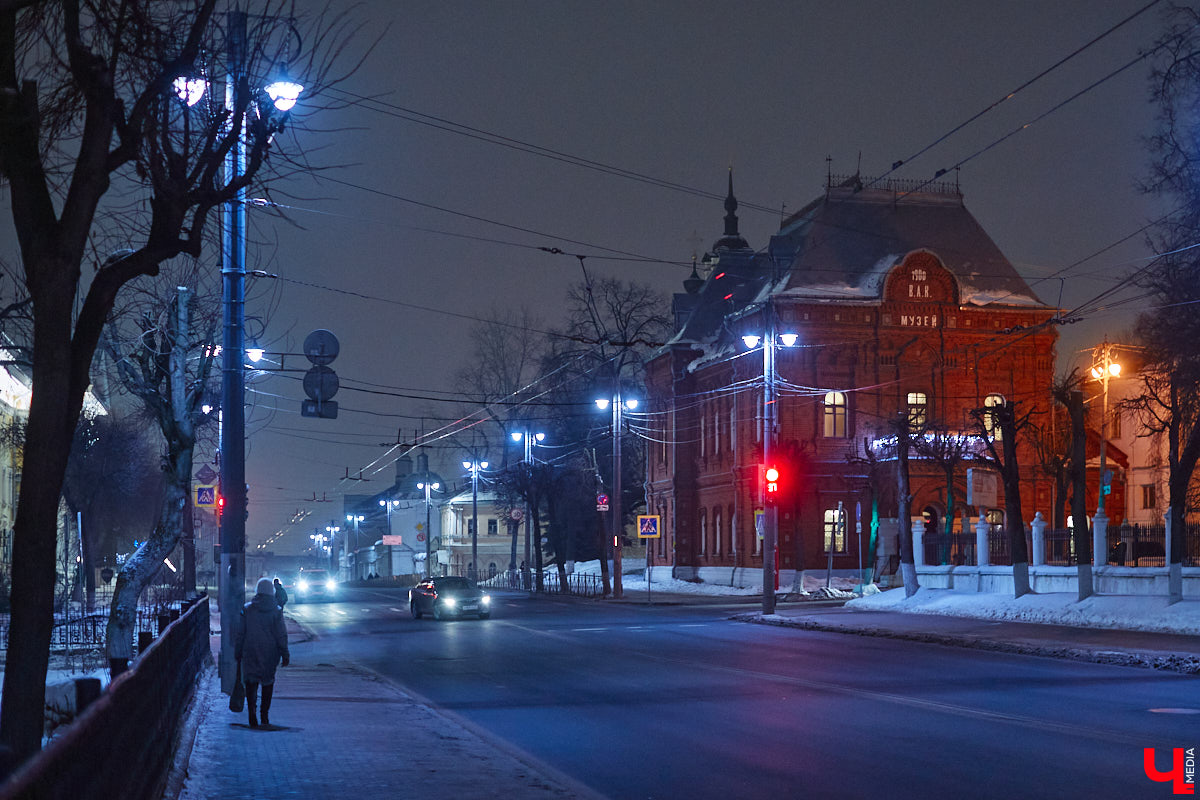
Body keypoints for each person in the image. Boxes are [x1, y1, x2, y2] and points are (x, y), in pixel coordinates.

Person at [235, 577, 290, 728]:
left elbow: (241, 633)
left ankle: (251, 713)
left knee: (251, 683)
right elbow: (281, 634)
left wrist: (238, 651)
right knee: (267, 683)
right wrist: (285, 653)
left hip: (250, 650)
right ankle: (264, 716)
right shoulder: (276, 611)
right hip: (270, 653)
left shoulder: (247, 609)